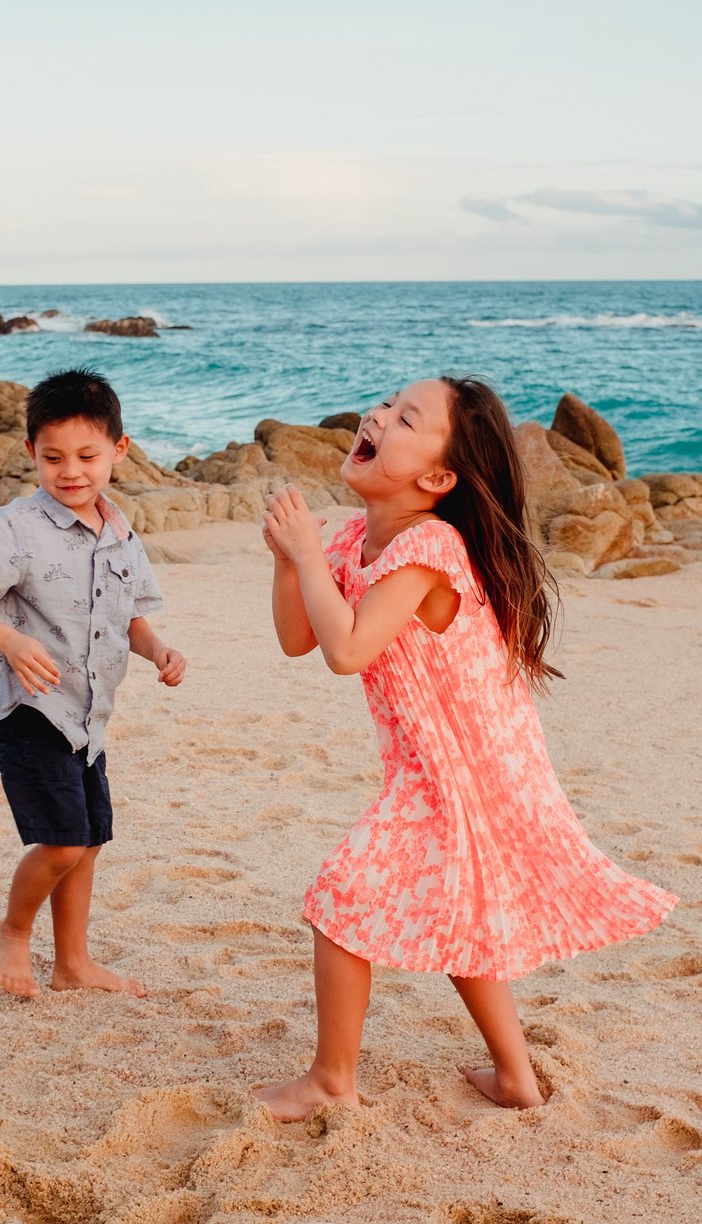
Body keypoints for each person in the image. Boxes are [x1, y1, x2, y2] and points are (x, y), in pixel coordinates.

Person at [254, 375, 675, 1118]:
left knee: (342, 896)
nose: (377, 414)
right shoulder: (354, 537)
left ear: (438, 477)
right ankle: (515, 1077)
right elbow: (299, 640)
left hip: (471, 770)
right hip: (431, 767)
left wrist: (306, 557)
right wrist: (294, 560)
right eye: (385, 403)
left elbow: (347, 650)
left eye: (405, 417)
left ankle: (331, 1081)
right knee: (463, 918)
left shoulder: (429, 546)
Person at [0, 367, 185, 999]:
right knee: (61, 844)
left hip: (90, 718)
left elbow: (131, 615)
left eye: (87, 455)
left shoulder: (123, 535)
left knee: (90, 842)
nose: (70, 471)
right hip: (31, 712)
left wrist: (158, 649)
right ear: (31, 454)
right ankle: (14, 933)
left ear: (119, 450)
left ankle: (73, 962)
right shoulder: (13, 529)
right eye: (53, 458)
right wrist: (13, 642)